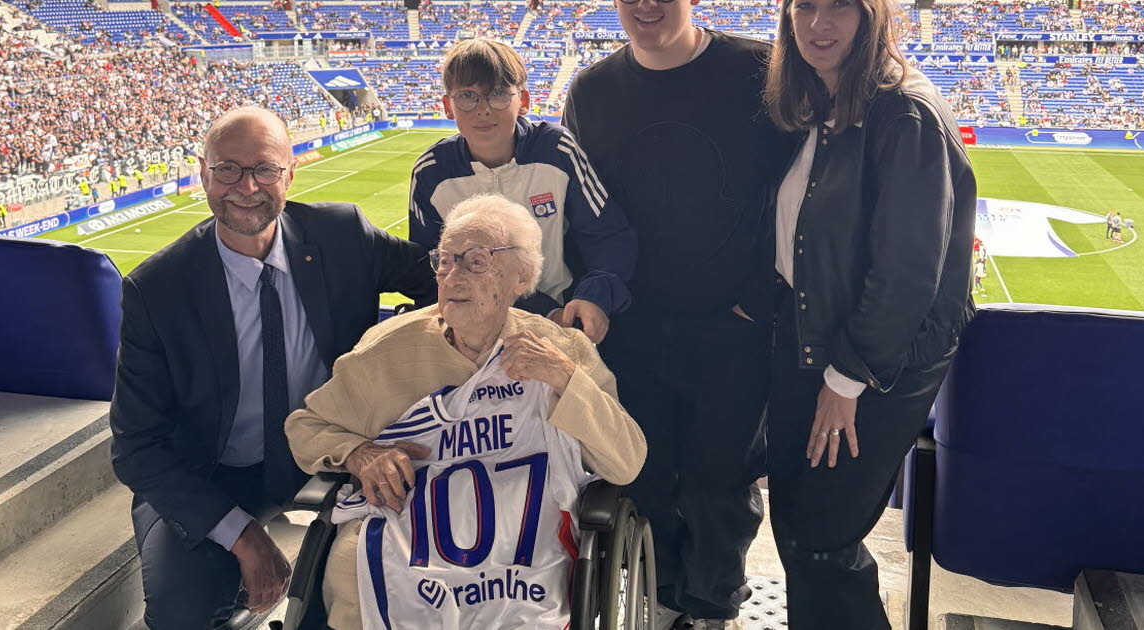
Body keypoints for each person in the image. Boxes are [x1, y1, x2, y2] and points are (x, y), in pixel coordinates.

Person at [108, 106, 436, 630]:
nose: (247, 186)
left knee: (371, 590)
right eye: (228, 169)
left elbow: (444, 284)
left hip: (336, 450)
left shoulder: (343, 234)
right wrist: (242, 536)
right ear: (203, 173)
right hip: (214, 472)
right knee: (181, 616)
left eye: (264, 169)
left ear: (290, 173)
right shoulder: (158, 289)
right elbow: (135, 446)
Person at [286, 194, 647, 630]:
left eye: (476, 261)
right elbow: (305, 426)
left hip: (523, 551)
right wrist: (359, 453)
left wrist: (567, 379)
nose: (453, 276)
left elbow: (626, 462)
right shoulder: (386, 350)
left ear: (522, 276)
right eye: (444, 261)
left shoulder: (562, 350)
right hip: (407, 544)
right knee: (350, 572)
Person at [560, 0, 795, 627]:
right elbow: (579, 212)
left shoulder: (759, 70)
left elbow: (806, 186)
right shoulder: (592, 91)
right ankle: (663, 603)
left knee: (721, 482)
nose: (646, 6)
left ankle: (715, 604)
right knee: (647, 474)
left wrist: (761, 296)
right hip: (632, 331)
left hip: (732, 327)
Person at [763, 0, 976, 625]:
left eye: (840, 9)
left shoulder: (903, 111)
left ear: (872, 18)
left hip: (871, 366)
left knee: (821, 537)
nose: (818, 24)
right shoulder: (821, 101)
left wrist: (847, 377)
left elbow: (908, 272)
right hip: (814, 341)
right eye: (805, 6)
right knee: (801, 530)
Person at [408, 38, 637, 343]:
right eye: (467, 97)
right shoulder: (431, 174)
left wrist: (595, 296)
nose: (483, 110)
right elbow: (427, 268)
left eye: (498, 94)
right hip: (469, 335)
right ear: (448, 106)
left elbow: (608, 235)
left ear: (524, 100)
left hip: (557, 326)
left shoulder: (557, 151)